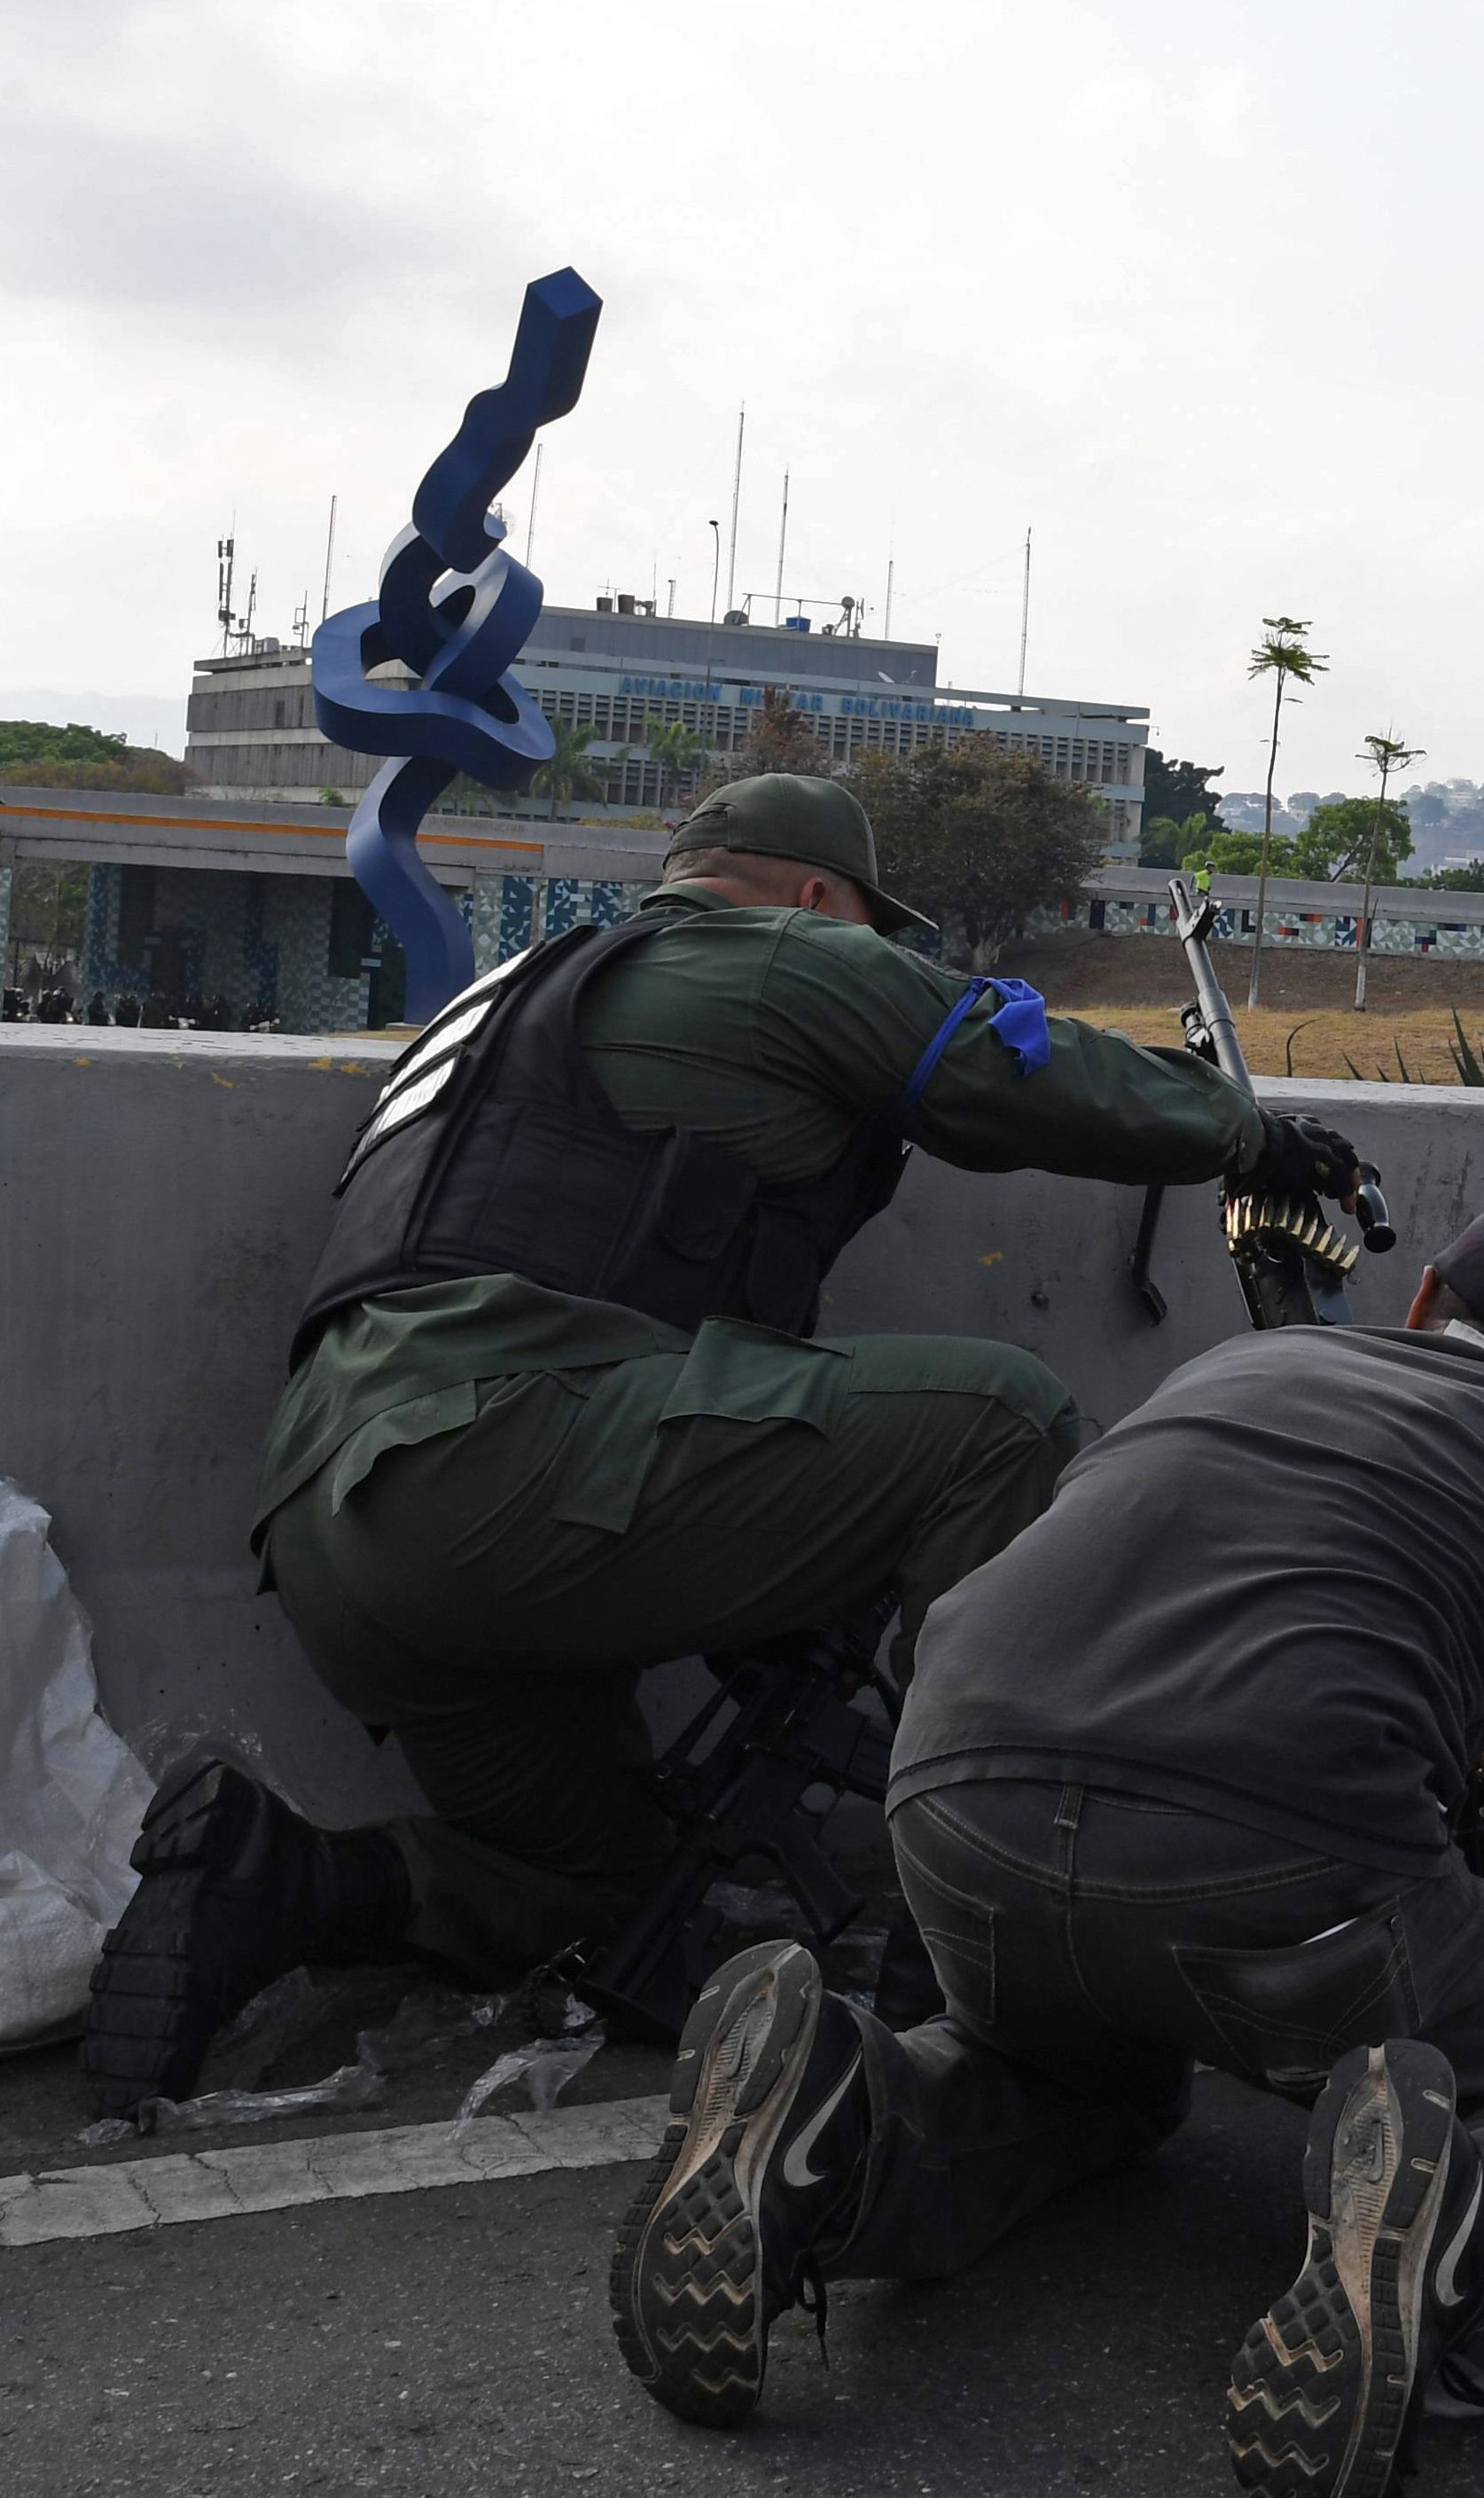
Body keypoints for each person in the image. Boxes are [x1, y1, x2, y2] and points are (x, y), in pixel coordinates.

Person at [82, 773, 1316, 2112]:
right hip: (507, 1459)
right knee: (993, 1421)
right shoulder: (787, 951)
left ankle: (281, 1878)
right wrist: (1244, 1127)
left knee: (596, 1885)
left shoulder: (503, 996)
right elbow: (1016, 1072)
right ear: (811, 893)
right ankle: (975, 1935)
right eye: (858, 919)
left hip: (332, 1518)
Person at [610, 1197, 1484, 2498]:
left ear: (1421, 1300)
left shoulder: (1242, 1361)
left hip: (956, 1789)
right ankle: (1453, 2225)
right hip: (1275, 1859)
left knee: (1084, 2081)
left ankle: (841, 2110)